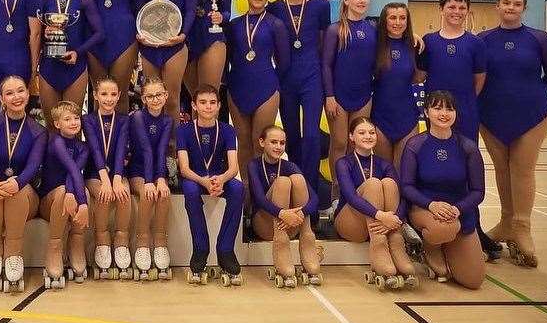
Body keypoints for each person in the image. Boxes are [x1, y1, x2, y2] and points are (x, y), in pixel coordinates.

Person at [478, 0, 547, 267]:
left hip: (532, 114)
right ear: (497, 7)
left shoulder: (540, 39)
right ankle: (506, 222)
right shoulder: (483, 40)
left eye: (516, 4)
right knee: (502, 169)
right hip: (491, 115)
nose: (510, 7)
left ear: (524, 8)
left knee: (522, 169)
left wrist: (527, 96)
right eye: (506, 3)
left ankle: (522, 226)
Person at [416, 0, 495, 259]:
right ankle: (434, 222)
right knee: (435, 166)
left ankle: (474, 227)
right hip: (436, 116)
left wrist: (462, 106)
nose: (456, 12)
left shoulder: (475, 44)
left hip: (466, 115)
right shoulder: (429, 42)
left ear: (467, 11)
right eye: (452, 7)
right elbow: (420, 75)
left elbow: (479, 79)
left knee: (467, 169)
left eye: (462, 8)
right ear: (442, 9)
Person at [265, 0, 330, 221]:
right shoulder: (274, 8)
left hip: (312, 76)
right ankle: (296, 194)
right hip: (286, 77)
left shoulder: (320, 5)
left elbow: (325, 43)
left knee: (313, 136)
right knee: (290, 136)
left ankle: (311, 205)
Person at [401, 90, 485, 289]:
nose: (444, 113)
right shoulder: (415, 145)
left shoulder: (468, 147)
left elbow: (478, 191)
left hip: (458, 214)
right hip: (425, 208)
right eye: (437, 108)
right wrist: (431, 204)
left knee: (473, 281)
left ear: (456, 113)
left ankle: (448, 246)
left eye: (449, 108)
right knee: (442, 228)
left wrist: (458, 209)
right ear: (426, 112)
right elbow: (406, 186)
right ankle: (430, 248)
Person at [0, 76, 47, 293]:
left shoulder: (38, 130)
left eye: (20, 91)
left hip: (24, 194)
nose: (16, 97)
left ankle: (14, 251)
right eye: (9, 93)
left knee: (16, 192)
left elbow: (34, 165)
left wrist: (18, 182)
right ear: (1, 98)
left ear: (28, 94)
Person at [333, 117, 417, 290]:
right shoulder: (343, 163)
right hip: (350, 223)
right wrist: (381, 216)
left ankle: (396, 242)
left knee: (389, 183)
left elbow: (402, 198)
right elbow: (350, 196)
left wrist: (395, 219)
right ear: (351, 137)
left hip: (385, 223)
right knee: (373, 183)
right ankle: (378, 247)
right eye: (361, 132)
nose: (368, 136)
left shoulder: (385, 164)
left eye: (371, 132)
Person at [226, 0, 290, 187]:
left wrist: (273, 83)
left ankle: (262, 191)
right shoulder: (234, 25)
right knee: (243, 143)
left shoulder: (276, 24)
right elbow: (229, 57)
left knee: (259, 142)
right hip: (237, 86)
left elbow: (284, 61)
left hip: (266, 87)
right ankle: (246, 194)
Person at [177, 85, 243, 286]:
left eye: (212, 103)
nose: (208, 107)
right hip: (195, 178)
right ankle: (200, 249)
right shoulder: (184, 130)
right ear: (194, 106)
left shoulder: (228, 130)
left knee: (238, 189)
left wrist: (221, 179)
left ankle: (225, 249)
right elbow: (184, 168)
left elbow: (234, 167)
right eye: (203, 102)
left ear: (219, 106)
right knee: (189, 190)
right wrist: (203, 181)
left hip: (220, 177)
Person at [136, 0, 198, 122]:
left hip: (175, 45)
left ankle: (173, 148)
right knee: (151, 99)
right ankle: (152, 147)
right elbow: (138, 9)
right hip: (149, 46)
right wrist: (137, 34)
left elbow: (190, 8)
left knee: (171, 100)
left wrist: (183, 34)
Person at [37, 0, 103, 125]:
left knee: (73, 124)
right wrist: (44, 33)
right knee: (52, 124)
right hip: (48, 69)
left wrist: (78, 52)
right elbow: (33, 33)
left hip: (75, 68)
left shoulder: (84, 0)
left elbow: (99, 33)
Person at [248, 125, 321, 288]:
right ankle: (281, 246)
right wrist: (282, 213)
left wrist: (300, 213)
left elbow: (314, 198)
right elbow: (259, 199)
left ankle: (307, 238)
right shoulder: (253, 165)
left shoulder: (289, 166)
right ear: (262, 142)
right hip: (266, 224)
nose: (278, 147)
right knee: (282, 181)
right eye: (273, 142)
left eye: (282, 143)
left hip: (292, 223)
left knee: (297, 179)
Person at [322, 0, 376, 202]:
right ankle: (337, 195)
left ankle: (359, 191)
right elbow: (326, 64)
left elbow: (396, 40)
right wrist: (330, 95)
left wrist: (416, 39)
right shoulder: (335, 29)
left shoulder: (373, 29)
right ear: (345, 0)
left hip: (363, 96)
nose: (362, 1)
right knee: (340, 144)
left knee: (360, 144)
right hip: (339, 97)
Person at [36, 101, 90, 288]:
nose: (74, 122)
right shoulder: (55, 141)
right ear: (57, 124)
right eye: (68, 119)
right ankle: (55, 245)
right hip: (49, 202)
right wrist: (77, 200)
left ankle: (76, 241)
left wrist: (77, 197)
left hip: (70, 197)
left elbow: (73, 172)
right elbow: (71, 168)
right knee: (62, 192)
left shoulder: (83, 147)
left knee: (84, 191)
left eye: (76, 118)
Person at [81, 78, 131, 279]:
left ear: (119, 96)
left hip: (117, 171)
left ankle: (121, 241)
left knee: (124, 194)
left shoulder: (124, 120)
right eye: (104, 94)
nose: (108, 99)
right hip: (95, 173)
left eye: (113, 94)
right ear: (95, 95)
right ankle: (101, 240)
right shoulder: (88, 120)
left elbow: (120, 150)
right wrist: (105, 179)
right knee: (103, 194)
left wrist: (117, 178)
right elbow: (94, 148)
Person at [126, 77, 173, 280]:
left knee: (164, 195)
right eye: (150, 96)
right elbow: (145, 149)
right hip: (138, 170)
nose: (155, 100)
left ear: (166, 96)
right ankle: (142, 240)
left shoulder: (168, 120)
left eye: (159, 95)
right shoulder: (137, 117)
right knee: (148, 194)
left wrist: (161, 178)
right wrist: (148, 180)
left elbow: (161, 150)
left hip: (156, 170)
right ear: (143, 99)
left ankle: (160, 240)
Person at [371, 3, 423, 169]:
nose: (398, 22)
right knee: (385, 173)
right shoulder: (374, 45)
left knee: (403, 172)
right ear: (384, 21)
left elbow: (419, 77)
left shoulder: (415, 47)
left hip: (407, 118)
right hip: (380, 118)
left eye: (402, 18)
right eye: (392, 17)